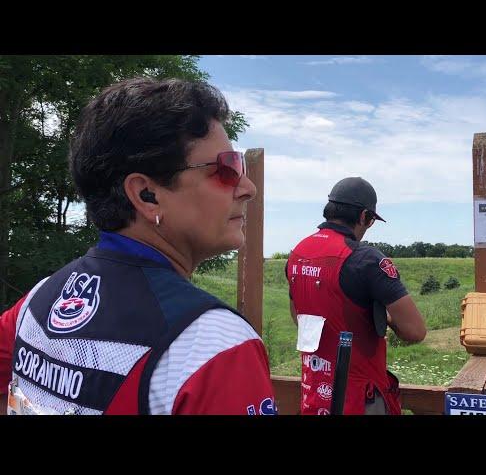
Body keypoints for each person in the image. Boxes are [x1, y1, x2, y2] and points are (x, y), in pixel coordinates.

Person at [0, 77, 277, 415]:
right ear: (147, 194)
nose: (248, 188)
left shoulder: (39, 300)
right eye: (227, 168)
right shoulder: (212, 345)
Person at [285, 177, 426, 415]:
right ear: (364, 217)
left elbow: (297, 316)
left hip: (314, 391)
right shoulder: (366, 259)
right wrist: (385, 319)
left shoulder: (297, 253)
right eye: (370, 220)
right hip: (360, 397)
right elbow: (415, 331)